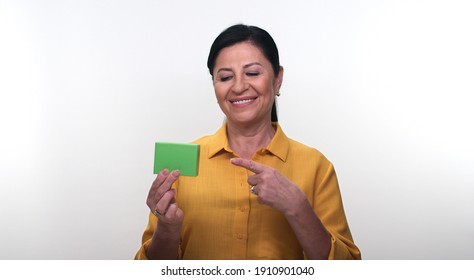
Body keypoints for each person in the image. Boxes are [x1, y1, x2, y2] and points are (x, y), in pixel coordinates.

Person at [135, 24, 361, 260]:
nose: (239, 86)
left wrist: (298, 209)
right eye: (225, 77)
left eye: (252, 73)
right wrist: (167, 229)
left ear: (278, 79)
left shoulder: (316, 166)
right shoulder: (181, 162)